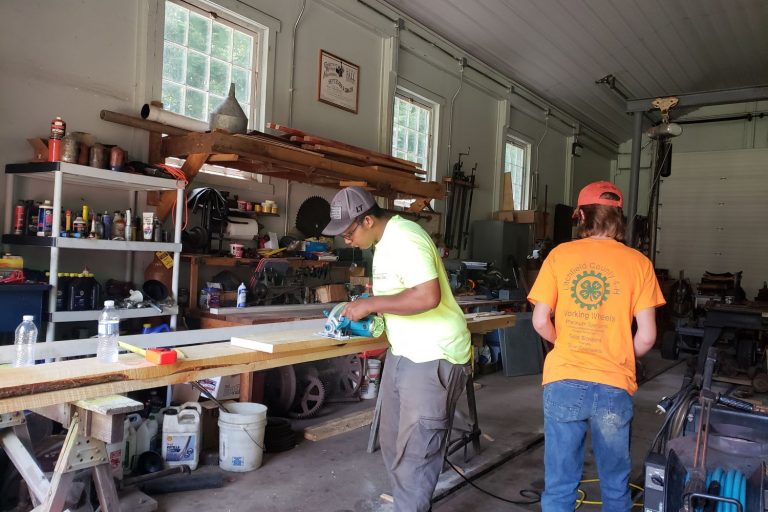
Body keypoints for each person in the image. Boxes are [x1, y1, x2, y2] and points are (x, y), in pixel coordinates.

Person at [322, 186, 471, 512]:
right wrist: (373, 310)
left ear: (368, 220)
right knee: (391, 442)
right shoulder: (383, 244)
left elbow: (427, 296)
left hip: (435, 355)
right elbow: (402, 296)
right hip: (404, 352)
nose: (347, 241)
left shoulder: (406, 237)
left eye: (348, 234)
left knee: (417, 454)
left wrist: (373, 303)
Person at [528, 181, 665, 511]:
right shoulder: (639, 264)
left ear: (580, 216)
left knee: (560, 483)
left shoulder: (560, 256)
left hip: (563, 378)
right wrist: (617, 353)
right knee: (616, 485)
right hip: (613, 382)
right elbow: (646, 336)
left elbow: (540, 320)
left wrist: (568, 344)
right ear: (620, 218)